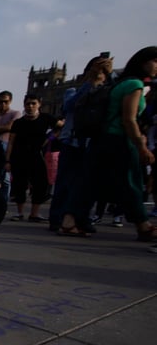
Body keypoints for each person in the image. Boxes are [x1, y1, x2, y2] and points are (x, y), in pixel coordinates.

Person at [71, 46, 157, 242]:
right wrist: (141, 145)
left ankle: (71, 220)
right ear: (144, 62)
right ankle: (143, 225)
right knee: (132, 182)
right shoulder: (134, 84)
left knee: (90, 182)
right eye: (156, 61)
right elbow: (129, 119)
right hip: (119, 139)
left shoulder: (120, 83)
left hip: (104, 138)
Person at [50, 56, 114, 234]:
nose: (99, 75)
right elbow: (70, 106)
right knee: (64, 182)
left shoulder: (108, 91)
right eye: (96, 70)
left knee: (88, 183)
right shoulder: (72, 91)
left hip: (93, 142)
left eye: (103, 72)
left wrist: (109, 75)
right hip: (72, 140)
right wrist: (90, 83)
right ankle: (57, 219)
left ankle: (82, 218)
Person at [6, 94, 63, 222]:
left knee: (40, 185)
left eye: (33, 103)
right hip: (19, 156)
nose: (30, 106)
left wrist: (51, 138)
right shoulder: (18, 123)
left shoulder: (46, 118)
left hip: (38, 156)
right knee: (20, 185)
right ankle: (19, 213)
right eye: (28, 104)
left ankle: (34, 213)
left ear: (39, 104)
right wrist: (8, 160)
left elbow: (61, 126)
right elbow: (11, 142)